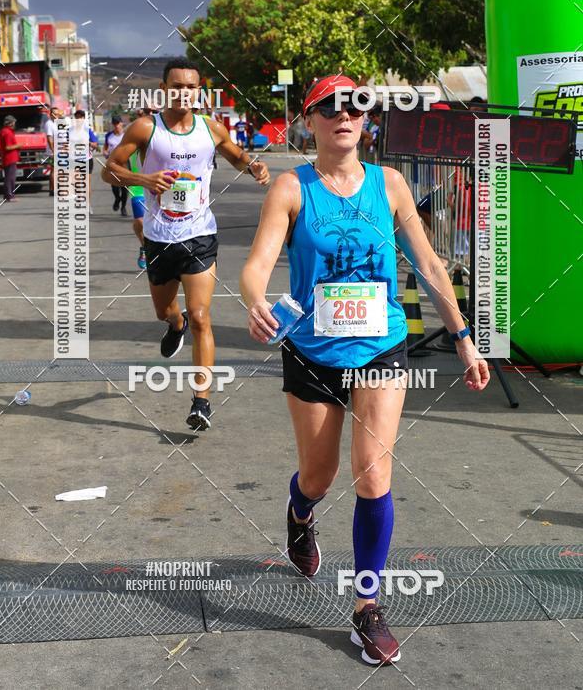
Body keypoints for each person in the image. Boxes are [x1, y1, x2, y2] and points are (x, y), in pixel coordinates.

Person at [240, 74, 490, 667]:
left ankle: (367, 607)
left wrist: (462, 337)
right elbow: (257, 266)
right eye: (328, 107)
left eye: (354, 105)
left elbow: (428, 262)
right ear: (309, 121)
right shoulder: (291, 188)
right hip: (312, 350)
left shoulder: (392, 184)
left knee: (373, 477)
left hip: (381, 346)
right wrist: (256, 302)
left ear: (367, 119)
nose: (343, 115)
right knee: (320, 476)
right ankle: (301, 515)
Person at [102, 57, 270, 432]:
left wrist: (254, 166)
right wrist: (144, 180)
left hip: (199, 235)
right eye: (176, 86)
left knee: (201, 316)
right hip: (161, 239)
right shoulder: (146, 128)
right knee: (168, 312)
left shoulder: (211, 128)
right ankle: (172, 323)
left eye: (190, 87)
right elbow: (108, 169)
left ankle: (202, 401)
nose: (183, 93)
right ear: (164, 89)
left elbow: (237, 156)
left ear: (199, 91)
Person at [73, 110, 99, 214]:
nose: (79, 120)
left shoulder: (88, 131)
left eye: (80, 117)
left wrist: (87, 142)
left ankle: (88, 205)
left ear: (83, 119)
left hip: (87, 159)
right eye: (77, 117)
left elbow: (95, 145)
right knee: (77, 182)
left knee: (86, 184)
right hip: (74, 160)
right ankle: (79, 199)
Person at [103, 116, 128, 215]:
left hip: (124, 163)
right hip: (112, 163)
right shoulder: (109, 135)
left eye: (118, 123)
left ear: (121, 123)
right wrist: (105, 152)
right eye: (114, 123)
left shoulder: (126, 135)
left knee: (124, 187)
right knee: (115, 186)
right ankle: (117, 199)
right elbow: (105, 147)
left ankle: (123, 207)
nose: (116, 125)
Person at [0, 115, 20, 202]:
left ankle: (7, 195)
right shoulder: (7, 132)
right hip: (10, 158)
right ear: (10, 123)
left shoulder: (5, 131)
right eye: (14, 122)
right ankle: (10, 196)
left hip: (9, 157)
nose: (14, 124)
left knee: (9, 177)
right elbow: (8, 147)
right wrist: (18, 145)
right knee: (10, 178)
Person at [45, 106, 62, 196]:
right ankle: (54, 190)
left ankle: (52, 190)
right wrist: (53, 151)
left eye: (57, 114)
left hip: (59, 150)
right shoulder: (49, 124)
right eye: (54, 114)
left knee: (55, 170)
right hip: (53, 152)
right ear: (50, 114)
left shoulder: (56, 123)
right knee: (54, 170)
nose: (56, 116)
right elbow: (49, 138)